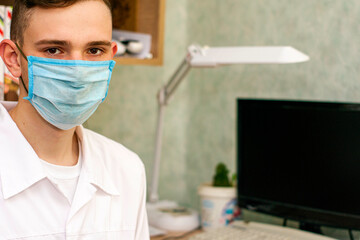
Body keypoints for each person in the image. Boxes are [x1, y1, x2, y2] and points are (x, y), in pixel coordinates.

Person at [0, 0, 149, 239]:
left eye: (93, 50)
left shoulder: (127, 170)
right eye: (54, 50)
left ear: (111, 57)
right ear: (14, 59)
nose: (78, 71)